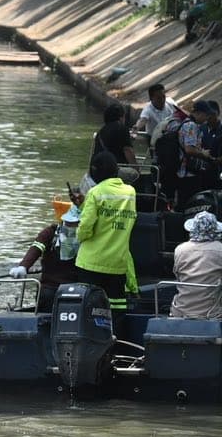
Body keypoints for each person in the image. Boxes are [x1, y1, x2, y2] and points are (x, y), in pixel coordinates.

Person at [74, 150, 140, 323]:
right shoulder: (130, 193)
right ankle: (116, 345)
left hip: (90, 263)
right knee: (116, 311)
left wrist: (79, 236)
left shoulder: (95, 192)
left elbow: (86, 226)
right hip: (117, 263)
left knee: (89, 309)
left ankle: (92, 346)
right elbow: (113, 219)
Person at [10, 203, 84, 312]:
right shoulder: (51, 233)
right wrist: (23, 266)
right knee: (46, 296)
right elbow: (37, 247)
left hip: (77, 288)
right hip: (50, 287)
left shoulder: (87, 235)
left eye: (75, 223)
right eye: (68, 222)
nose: (71, 226)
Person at [171, 211, 222, 318]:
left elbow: (178, 276)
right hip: (212, 313)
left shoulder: (180, 249)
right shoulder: (220, 249)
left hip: (180, 312)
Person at [93, 101, 136, 170]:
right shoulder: (122, 128)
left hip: (97, 171)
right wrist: (137, 170)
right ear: (121, 117)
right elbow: (128, 151)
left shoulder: (101, 131)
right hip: (114, 171)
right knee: (134, 175)